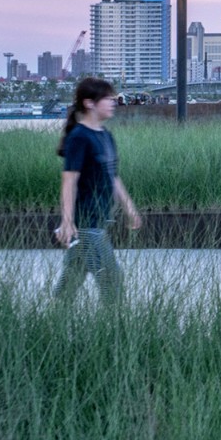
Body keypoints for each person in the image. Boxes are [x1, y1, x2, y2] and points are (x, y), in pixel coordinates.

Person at [53, 77, 140, 304]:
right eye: (108, 99)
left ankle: (51, 327)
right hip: (87, 223)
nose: (113, 103)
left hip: (100, 219)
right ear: (89, 103)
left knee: (70, 283)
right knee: (112, 279)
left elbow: (113, 177)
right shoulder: (80, 137)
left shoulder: (105, 135)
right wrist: (67, 221)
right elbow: (69, 180)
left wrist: (129, 208)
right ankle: (116, 333)